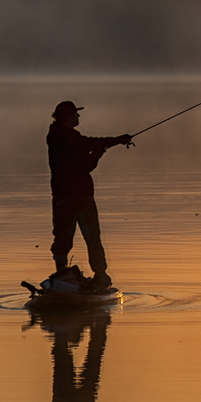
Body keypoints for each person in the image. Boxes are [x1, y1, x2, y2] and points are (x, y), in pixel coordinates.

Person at [47, 101, 132, 288]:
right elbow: (87, 144)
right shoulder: (63, 136)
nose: (79, 117)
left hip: (65, 196)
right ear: (69, 117)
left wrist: (97, 154)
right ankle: (98, 276)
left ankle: (64, 275)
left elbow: (85, 165)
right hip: (77, 197)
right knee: (90, 236)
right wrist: (117, 140)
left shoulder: (57, 136)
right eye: (76, 114)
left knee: (65, 236)